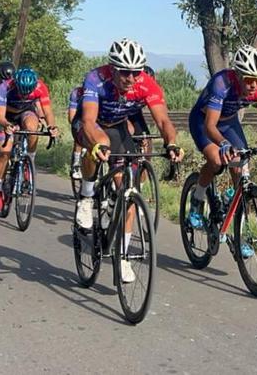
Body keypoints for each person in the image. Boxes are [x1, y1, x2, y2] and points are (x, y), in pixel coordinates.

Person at [72, 39, 182, 282]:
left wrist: (171, 142)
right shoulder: (96, 78)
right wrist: (97, 143)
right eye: (125, 72)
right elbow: (89, 121)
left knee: (128, 191)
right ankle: (87, 195)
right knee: (99, 144)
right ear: (112, 68)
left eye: (136, 72)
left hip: (117, 127)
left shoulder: (146, 84)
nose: (131, 78)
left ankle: (122, 256)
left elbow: (163, 121)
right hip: (91, 125)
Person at [186, 45, 257, 256]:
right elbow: (210, 126)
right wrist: (223, 143)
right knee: (216, 160)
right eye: (248, 79)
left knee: (241, 169)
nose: (253, 85)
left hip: (229, 122)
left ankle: (239, 231)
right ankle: (197, 200)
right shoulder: (221, 83)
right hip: (205, 121)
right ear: (238, 75)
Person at [0, 67, 60, 211]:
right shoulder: (5, 87)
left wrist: (52, 127)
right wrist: (7, 125)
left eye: (27, 93)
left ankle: (29, 161)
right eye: (22, 92)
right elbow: (0, 116)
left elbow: (47, 111)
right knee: (5, 151)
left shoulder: (41, 87)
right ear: (16, 84)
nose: (24, 96)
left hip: (26, 112)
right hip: (7, 116)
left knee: (32, 128)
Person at [66, 85, 84, 181]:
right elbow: (71, 118)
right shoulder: (77, 93)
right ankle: (76, 164)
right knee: (79, 132)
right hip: (79, 118)